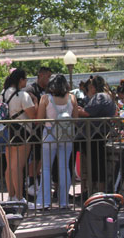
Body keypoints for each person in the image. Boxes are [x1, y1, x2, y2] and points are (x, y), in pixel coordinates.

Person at [35, 74, 78, 209]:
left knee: (46, 168)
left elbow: (39, 119)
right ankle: (64, 201)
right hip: (67, 135)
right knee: (64, 167)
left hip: (49, 134)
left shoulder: (46, 98)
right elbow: (75, 118)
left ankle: (44, 201)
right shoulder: (72, 98)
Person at [77, 76, 117, 195]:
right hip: (101, 132)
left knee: (96, 164)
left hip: (95, 133)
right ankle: (98, 190)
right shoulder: (108, 96)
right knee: (98, 163)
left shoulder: (99, 96)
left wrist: (77, 110)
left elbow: (88, 112)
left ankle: (98, 191)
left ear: (93, 87)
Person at [2, 69, 37, 202]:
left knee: (9, 165)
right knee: (18, 166)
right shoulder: (23, 95)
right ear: (20, 80)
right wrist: (35, 100)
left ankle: (11, 195)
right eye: (25, 79)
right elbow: (33, 115)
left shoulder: (3, 93)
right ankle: (19, 197)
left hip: (7, 130)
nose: (26, 82)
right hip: (22, 131)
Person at [23, 66, 52, 192]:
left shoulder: (49, 90)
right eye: (47, 76)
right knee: (33, 155)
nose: (48, 79)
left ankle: (38, 179)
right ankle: (30, 181)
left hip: (45, 127)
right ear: (40, 75)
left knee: (40, 155)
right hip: (33, 127)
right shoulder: (30, 89)